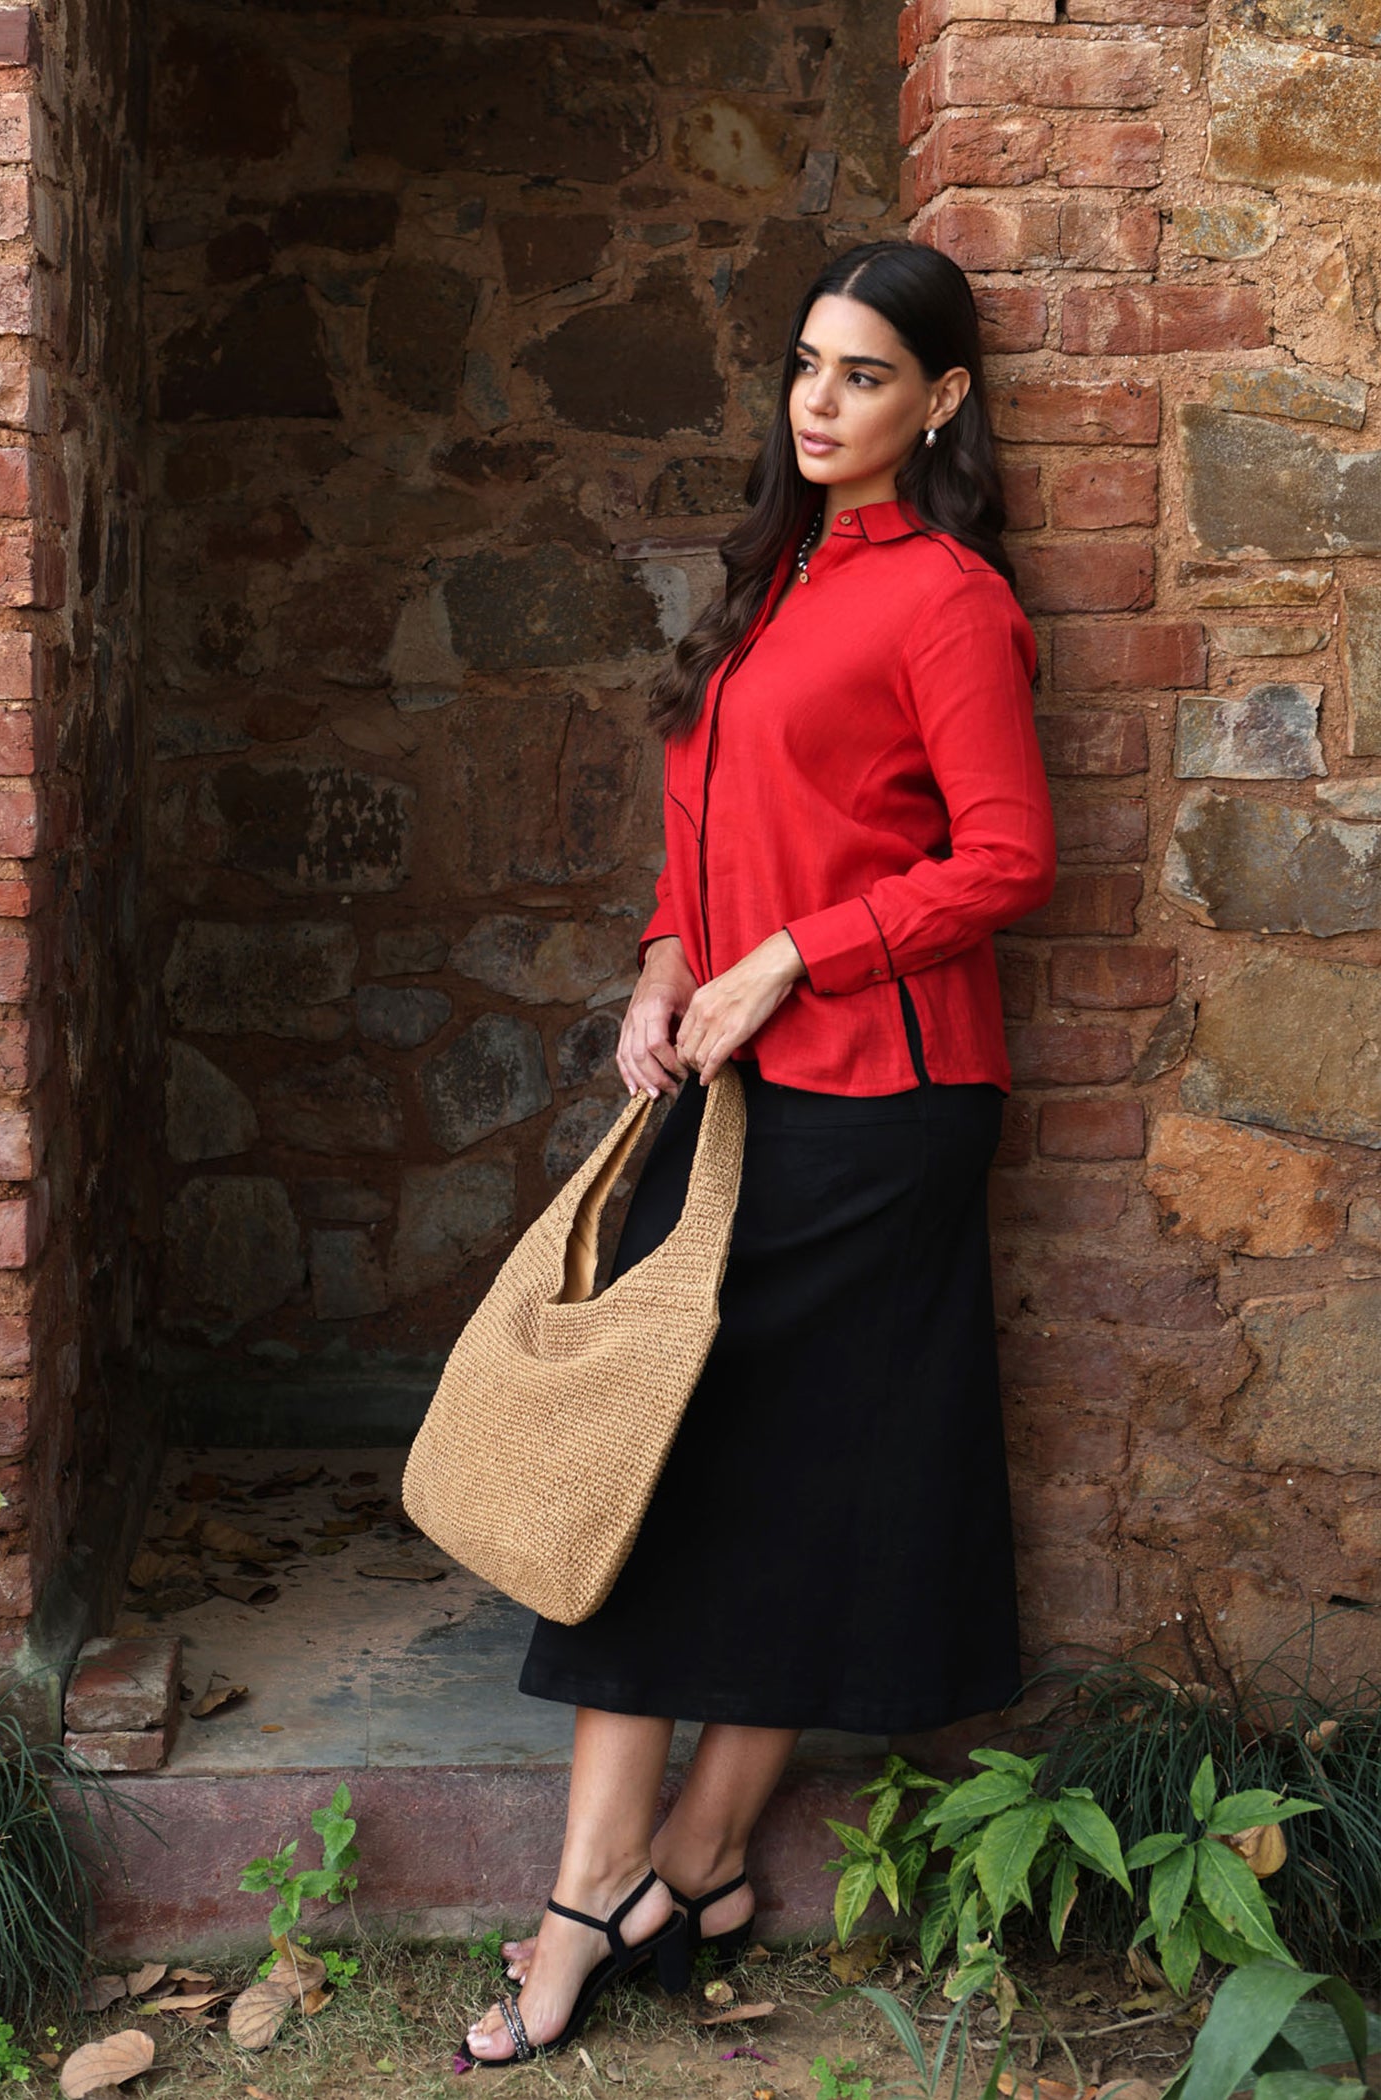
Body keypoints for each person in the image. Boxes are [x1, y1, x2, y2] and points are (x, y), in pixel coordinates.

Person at [460, 238, 1057, 2068]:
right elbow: (710, 834)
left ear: (940, 400)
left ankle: (587, 1903)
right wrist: (665, 962)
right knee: (766, 1487)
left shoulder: (947, 598)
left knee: (684, 1485)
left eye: (865, 373)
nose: (818, 401)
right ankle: (702, 1868)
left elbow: (1004, 859)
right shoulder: (782, 581)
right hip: (746, 1089)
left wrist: (794, 957)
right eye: (806, 363)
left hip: (879, 1107)